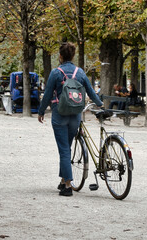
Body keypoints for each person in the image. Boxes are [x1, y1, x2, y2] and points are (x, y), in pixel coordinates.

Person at [38, 42, 103, 197]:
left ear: (60, 56)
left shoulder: (55, 73)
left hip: (59, 114)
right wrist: (100, 104)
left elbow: (47, 94)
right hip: (75, 115)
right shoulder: (80, 73)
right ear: (73, 56)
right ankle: (62, 181)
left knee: (64, 149)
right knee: (66, 147)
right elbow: (90, 91)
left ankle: (68, 185)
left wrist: (41, 111)